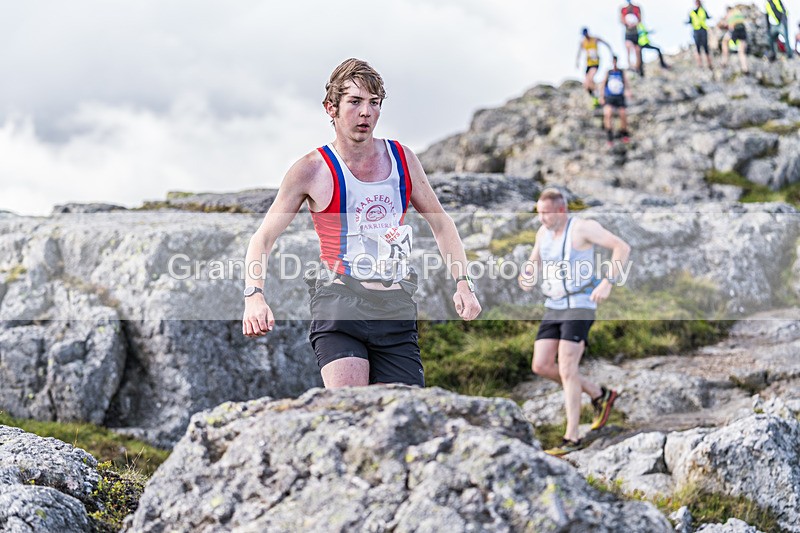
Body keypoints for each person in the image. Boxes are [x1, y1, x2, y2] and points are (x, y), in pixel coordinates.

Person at [242, 58, 481, 388]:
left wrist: (463, 283)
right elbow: (262, 238)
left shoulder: (402, 158)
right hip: (340, 306)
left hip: (396, 308)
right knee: (351, 413)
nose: (366, 112)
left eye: (374, 103)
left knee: (403, 422)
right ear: (331, 108)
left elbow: (442, 225)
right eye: (354, 102)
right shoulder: (311, 169)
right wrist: (254, 296)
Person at [518, 188, 630, 456]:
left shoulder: (582, 228)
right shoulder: (542, 233)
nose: (541, 218)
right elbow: (534, 260)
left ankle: (572, 438)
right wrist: (527, 275)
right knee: (541, 364)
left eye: (546, 213)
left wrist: (608, 282)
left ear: (561, 210)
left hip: (580, 304)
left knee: (568, 369)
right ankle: (599, 395)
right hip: (553, 305)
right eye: (539, 213)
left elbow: (622, 247)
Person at [576, 28, 614, 108]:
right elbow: (579, 52)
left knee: (590, 78)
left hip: (595, 63)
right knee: (586, 84)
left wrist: (611, 51)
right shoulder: (583, 42)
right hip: (588, 64)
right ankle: (594, 98)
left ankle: (598, 94)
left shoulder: (595, 39)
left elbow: (605, 43)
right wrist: (577, 61)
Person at [600, 56, 632, 146]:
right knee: (608, 114)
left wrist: (628, 91)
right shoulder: (608, 72)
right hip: (609, 97)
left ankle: (624, 133)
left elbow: (626, 83)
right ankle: (609, 137)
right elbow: (603, 84)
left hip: (619, 96)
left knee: (623, 114)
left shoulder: (621, 72)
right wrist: (601, 96)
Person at [722, 6, 750, 73]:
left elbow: (730, 26)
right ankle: (745, 68)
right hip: (743, 31)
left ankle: (724, 61)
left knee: (724, 42)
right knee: (741, 51)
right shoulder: (738, 12)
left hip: (735, 31)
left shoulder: (730, 13)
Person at [688, 0, 714, 69]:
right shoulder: (692, 12)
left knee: (705, 47)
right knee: (698, 48)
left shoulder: (703, 10)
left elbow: (708, 17)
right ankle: (700, 64)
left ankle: (709, 64)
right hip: (696, 31)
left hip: (703, 30)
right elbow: (690, 21)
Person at [620, 0, 643, 74]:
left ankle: (637, 67)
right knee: (628, 48)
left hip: (635, 33)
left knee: (637, 50)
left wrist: (634, 23)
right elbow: (622, 20)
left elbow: (640, 19)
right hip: (628, 33)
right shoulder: (623, 9)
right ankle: (629, 65)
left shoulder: (637, 8)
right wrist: (627, 24)